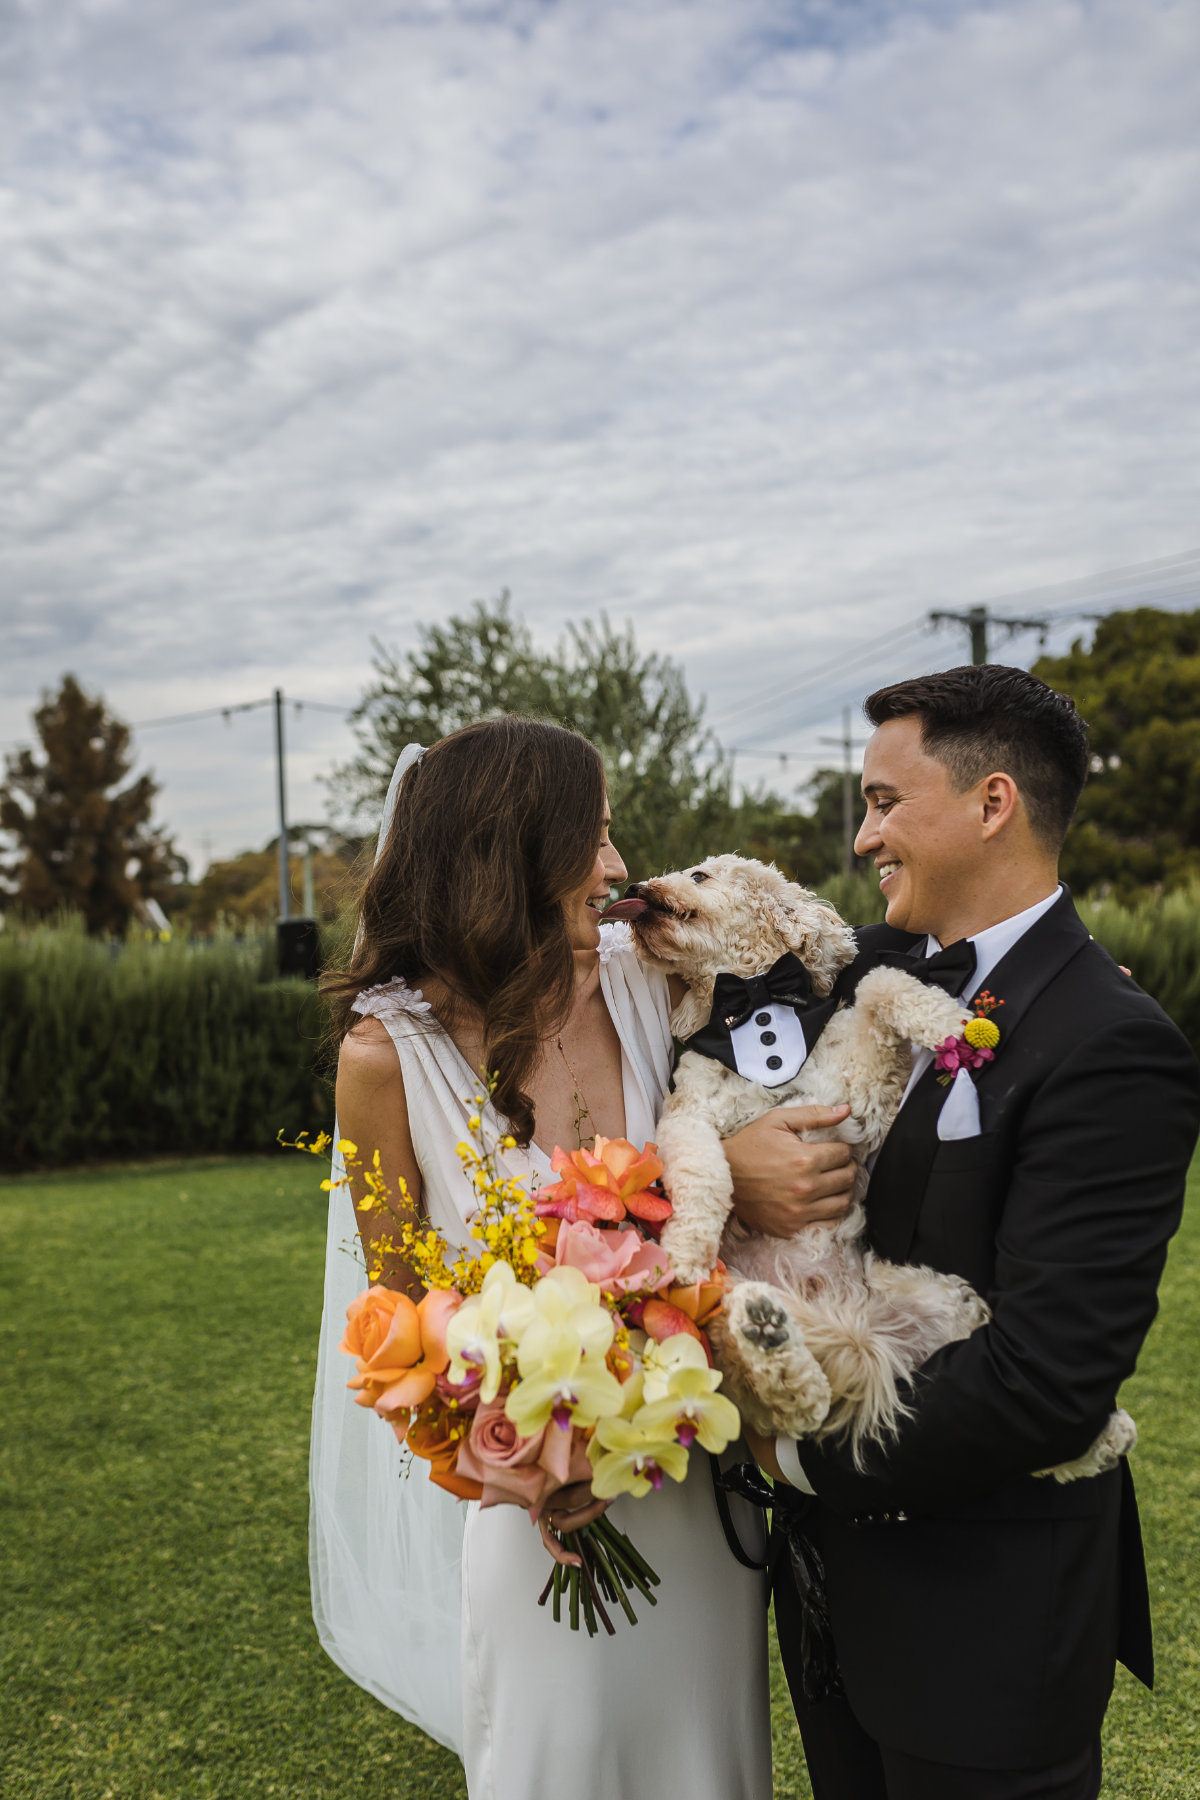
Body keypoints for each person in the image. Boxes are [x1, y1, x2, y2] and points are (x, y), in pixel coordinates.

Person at [311, 715, 855, 1798]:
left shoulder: (646, 974)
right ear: (507, 854)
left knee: (706, 1759)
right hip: (538, 1511)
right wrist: (521, 1460)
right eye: (593, 840)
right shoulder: (386, 1057)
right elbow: (401, 1320)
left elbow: (811, 977)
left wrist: (1011, 1009)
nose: (617, 868)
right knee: (557, 1757)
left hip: (697, 1471)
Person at [750, 664, 1200, 1800]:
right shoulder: (872, 979)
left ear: (993, 803)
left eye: (887, 802)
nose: (864, 839)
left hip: (984, 1626)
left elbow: (1046, 1380)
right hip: (840, 1602)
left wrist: (794, 1454)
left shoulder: (1110, 1042)